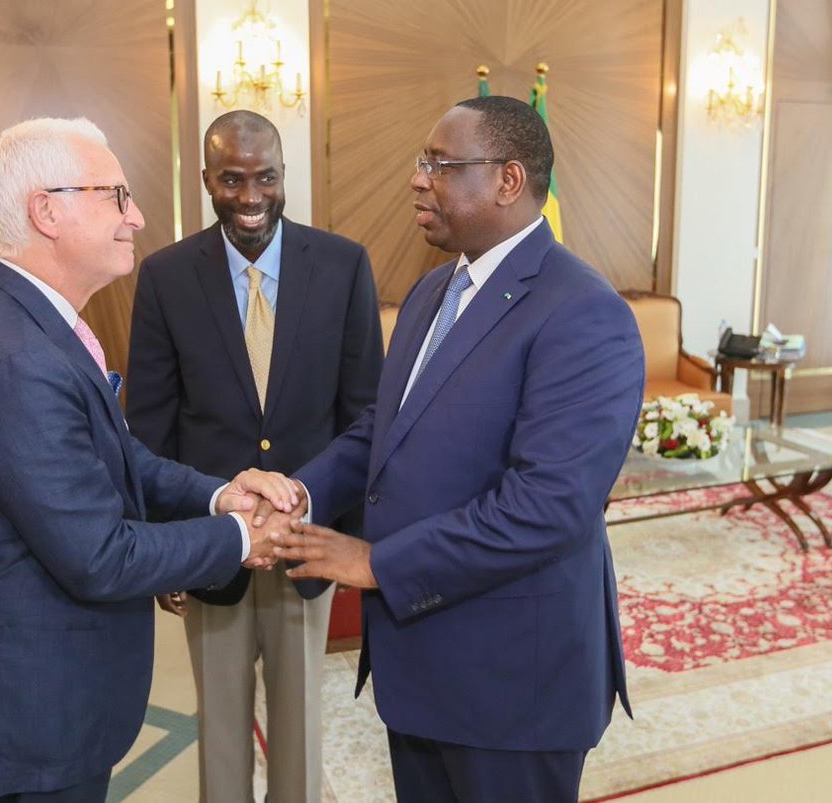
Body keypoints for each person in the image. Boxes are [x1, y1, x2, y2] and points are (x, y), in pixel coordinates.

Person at [269, 95, 646, 802]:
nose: (418, 179)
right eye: (423, 162)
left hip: (513, 685)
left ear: (508, 180)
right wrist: (299, 492)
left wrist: (375, 562)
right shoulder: (429, 292)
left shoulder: (584, 312)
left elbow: (547, 507)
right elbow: (384, 429)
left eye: (440, 164)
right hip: (419, 667)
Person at [0, 117, 300, 803]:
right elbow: (101, 556)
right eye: (116, 196)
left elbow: (116, 454)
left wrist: (217, 494)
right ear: (47, 211)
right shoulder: (18, 359)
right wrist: (243, 536)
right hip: (38, 709)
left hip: (56, 690)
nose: (138, 217)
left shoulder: (36, 323)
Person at [126, 110, 382, 802]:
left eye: (265, 178)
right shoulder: (166, 276)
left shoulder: (343, 266)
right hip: (212, 545)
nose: (250, 196)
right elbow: (149, 428)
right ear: (206, 179)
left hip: (308, 542)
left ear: (284, 175)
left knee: (300, 731)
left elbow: (364, 414)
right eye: (232, 179)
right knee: (221, 730)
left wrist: (351, 535)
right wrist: (166, 545)